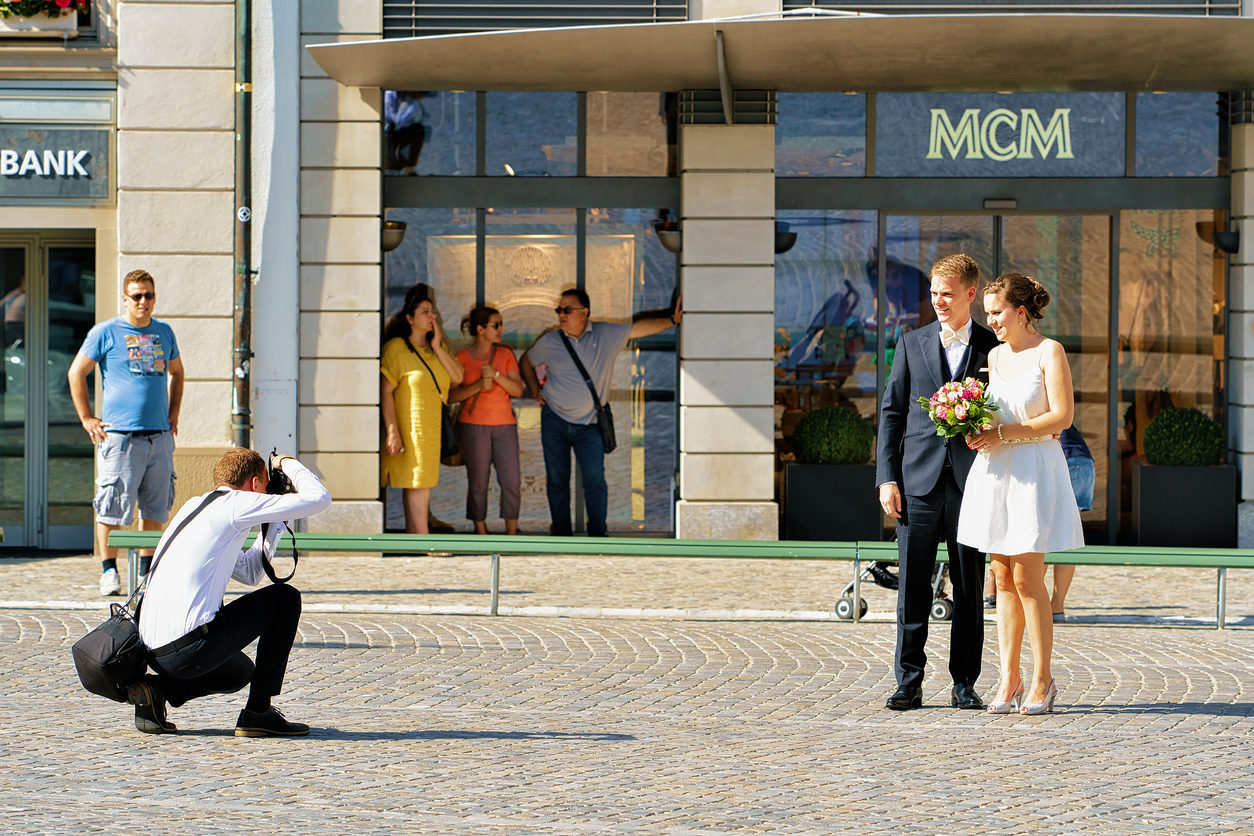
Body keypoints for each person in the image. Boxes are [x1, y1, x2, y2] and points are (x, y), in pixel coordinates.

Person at [127, 448, 332, 736]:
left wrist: (274, 526)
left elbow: (249, 573)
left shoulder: (195, 507)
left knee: (239, 672)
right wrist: (286, 463)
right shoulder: (237, 504)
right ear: (255, 484)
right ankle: (258, 712)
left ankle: (155, 690)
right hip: (189, 648)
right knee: (285, 598)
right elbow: (320, 498)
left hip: (155, 653)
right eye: (265, 483)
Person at [875, 253, 998, 711]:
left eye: (947, 294)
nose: (938, 302)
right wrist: (887, 478)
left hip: (974, 485)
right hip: (916, 484)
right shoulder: (910, 343)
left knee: (969, 589)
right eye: (933, 294)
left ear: (970, 293)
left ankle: (965, 683)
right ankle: (909, 681)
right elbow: (891, 415)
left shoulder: (993, 348)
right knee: (913, 588)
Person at [958, 272, 1085, 715]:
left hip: (1034, 468)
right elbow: (995, 412)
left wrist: (1003, 433)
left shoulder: (1051, 351)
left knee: (1030, 580)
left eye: (996, 312)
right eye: (987, 313)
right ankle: (1008, 679)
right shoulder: (993, 356)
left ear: (1021, 312)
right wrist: (974, 428)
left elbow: (1062, 417)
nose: (989, 320)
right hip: (996, 471)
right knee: (1002, 579)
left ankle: (1042, 680)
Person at [520, 288, 681, 536]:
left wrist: (672, 320)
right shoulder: (550, 341)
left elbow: (639, 328)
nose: (561, 314)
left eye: (567, 310)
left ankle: (597, 533)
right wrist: (534, 389)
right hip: (555, 419)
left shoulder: (606, 334)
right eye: (559, 310)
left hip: (591, 423)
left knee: (595, 480)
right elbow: (526, 362)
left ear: (584, 313)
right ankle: (561, 534)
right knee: (557, 480)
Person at [68, 269, 184, 597]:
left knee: (155, 508)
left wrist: (173, 414)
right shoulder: (106, 332)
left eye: (148, 295)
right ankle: (109, 571)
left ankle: (147, 574)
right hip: (119, 437)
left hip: (159, 437)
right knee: (111, 506)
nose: (143, 301)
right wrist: (87, 417)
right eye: (137, 295)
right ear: (125, 298)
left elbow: (177, 372)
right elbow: (77, 372)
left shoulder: (164, 332)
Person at [380, 285, 465, 533]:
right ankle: (423, 540)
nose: (432, 317)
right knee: (417, 483)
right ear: (409, 317)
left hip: (431, 429)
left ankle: (415, 537)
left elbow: (458, 377)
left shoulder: (435, 351)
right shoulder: (397, 348)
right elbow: (386, 391)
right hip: (409, 428)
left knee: (421, 482)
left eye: (433, 313)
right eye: (425, 312)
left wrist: (438, 346)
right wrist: (392, 431)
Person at [450, 306, 524, 535]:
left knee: (511, 481)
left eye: (501, 324)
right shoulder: (461, 358)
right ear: (481, 329)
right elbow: (451, 396)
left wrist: (497, 376)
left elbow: (518, 390)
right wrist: (477, 386)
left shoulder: (505, 354)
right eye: (496, 325)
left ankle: (511, 532)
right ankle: (480, 530)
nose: (501, 329)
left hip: (505, 426)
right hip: (473, 426)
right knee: (478, 483)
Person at [1050, 424, 1094, 622]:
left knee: (1044, 536)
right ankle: (1056, 608)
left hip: (1066, 461)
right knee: (1067, 539)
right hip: (1085, 464)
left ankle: (1037, 605)